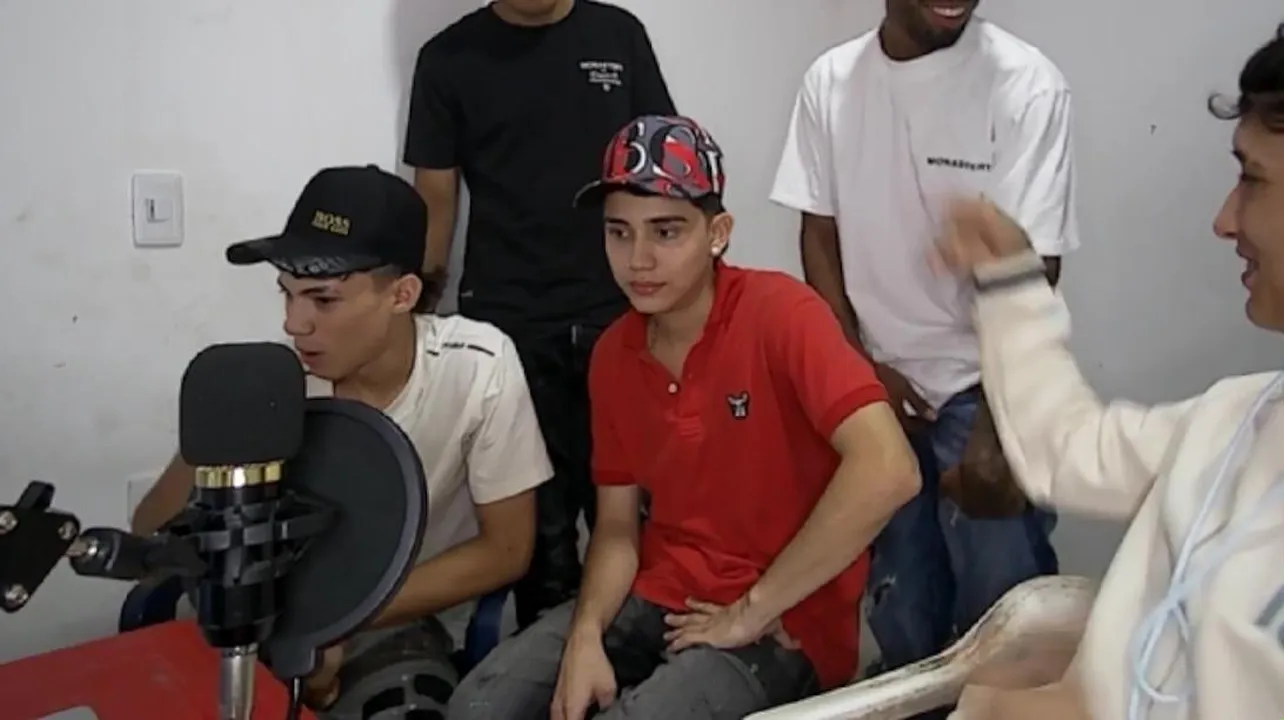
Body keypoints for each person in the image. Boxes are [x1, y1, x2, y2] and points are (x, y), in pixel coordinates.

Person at [447, 115, 920, 720]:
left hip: (785, 618)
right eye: (619, 232)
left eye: (666, 231)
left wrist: (750, 610)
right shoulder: (614, 354)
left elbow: (890, 469)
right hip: (658, 591)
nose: (638, 259)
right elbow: (616, 527)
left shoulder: (782, 314)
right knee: (477, 707)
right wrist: (585, 636)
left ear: (717, 233)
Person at [933, 31, 1284, 720]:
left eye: (1253, 178)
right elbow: (1070, 450)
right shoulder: (1239, 420)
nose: (1223, 221)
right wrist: (1010, 284)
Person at [129, 165, 553, 711]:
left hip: (402, 617)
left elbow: (506, 551)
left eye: (323, 300)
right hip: (262, 615)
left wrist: (335, 624)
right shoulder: (271, 384)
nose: (294, 324)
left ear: (402, 294)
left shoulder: (478, 367)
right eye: (286, 295)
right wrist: (216, 434)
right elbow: (149, 534)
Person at [770, 0, 1077, 693]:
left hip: (987, 390)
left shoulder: (1027, 84)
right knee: (903, 629)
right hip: (881, 396)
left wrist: (1000, 423)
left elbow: (1035, 267)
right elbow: (819, 234)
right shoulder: (831, 82)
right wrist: (858, 374)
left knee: (1007, 639)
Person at [404, 0, 679, 629]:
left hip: (622, 315)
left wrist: (685, 300)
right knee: (541, 545)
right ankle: (552, 667)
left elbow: (664, 174)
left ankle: (641, 660)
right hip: (511, 329)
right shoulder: (447, 58)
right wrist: (414, 316)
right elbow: (435, 200)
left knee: (643, 518)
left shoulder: (618, 36)